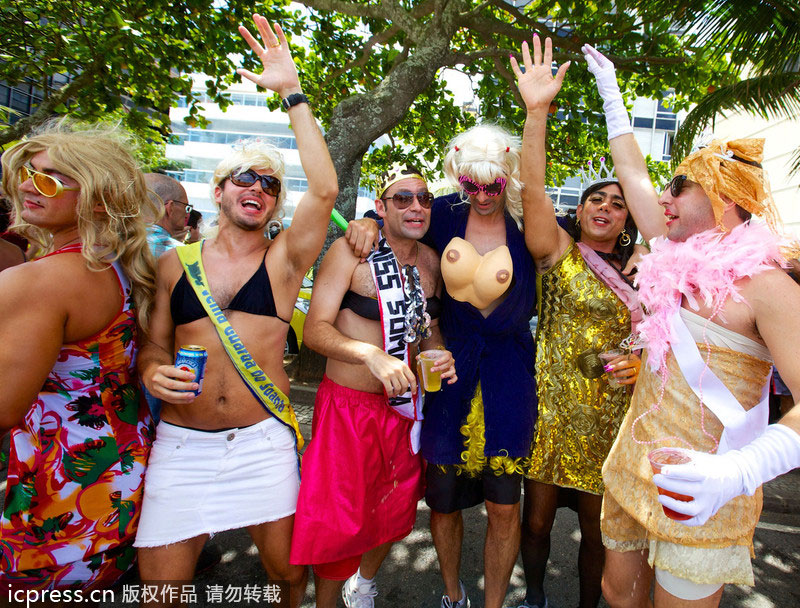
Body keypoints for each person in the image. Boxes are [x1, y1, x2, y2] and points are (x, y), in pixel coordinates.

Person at [582, 45, 800, 607]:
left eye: (678, 187)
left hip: (705, 492)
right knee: (617, 594)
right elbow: (630, 171)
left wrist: (740, 472)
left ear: (724, 199)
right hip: (631, 468)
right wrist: (611, 97)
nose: (662, 197)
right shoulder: (671, 253)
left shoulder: (769, 286)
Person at [134, 14, 338, 608]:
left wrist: (292, 92)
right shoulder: (174, 263)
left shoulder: (284, 261)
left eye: (271, 184)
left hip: (261, 442)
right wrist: (152, 371)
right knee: (160, 590)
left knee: (286, 579)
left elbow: (324, 190)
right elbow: (153, 344)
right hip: (182, 443)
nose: (259, 187)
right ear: (220, 190)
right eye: (246, 178)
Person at [347, 128, 539, 608]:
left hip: (510, 374)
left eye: (492, 184)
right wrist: (370, 221)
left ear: (508, 175)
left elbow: (586, 242)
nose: (482, 194)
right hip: (449, 371)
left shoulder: (527, 218)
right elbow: (400, 227)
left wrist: (635, 257)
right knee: (444, 497)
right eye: (470, 184)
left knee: (503, 503)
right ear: (458, 178)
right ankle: (453, 596)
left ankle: (492, 605)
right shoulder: (446, 212)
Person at [511, 36, 643, 608]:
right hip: (553, 413)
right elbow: (532, 189)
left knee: (599, 533)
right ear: (581, 209)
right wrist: (535, 111)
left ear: (628, 219)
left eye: (617, 202)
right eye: (596, 198)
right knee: (536, 526)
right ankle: (535, 596)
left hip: (615, 419)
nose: (605, 206)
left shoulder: (649, 271)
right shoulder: (558, 252)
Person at [290, 164, 456, 608]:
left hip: (403, 410)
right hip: (348, 409)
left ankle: (362, 585)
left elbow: (428, 328)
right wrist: (369, 354)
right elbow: (315, 330)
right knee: (338, 521)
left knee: (394, 510)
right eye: (403, 198)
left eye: (424, 198)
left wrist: (437, 353)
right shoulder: (353, 252)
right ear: (380, 208)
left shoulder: (431, 262)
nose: (416, 206)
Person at [0, 121, 157, 587]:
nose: (29, 185)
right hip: (117, 476)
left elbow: (5, 405)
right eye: (28, 172)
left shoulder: (39, 281)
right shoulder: (121, 270)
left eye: (49, 179)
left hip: (58, 490)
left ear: (97, 198)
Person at [145, 173, 191, 257]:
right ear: (170, 208)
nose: (187, 214)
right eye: (186, 207)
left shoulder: (119, 244)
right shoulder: (183, 255)